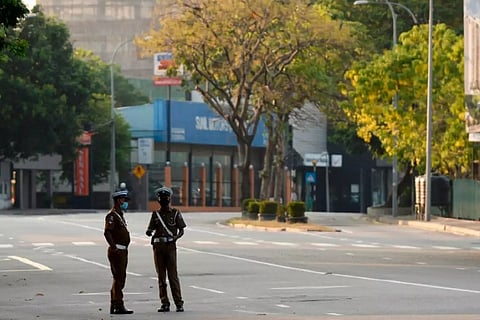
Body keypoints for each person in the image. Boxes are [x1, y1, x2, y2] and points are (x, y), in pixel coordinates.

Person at [146, 186, 186, 313]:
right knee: (161, 277)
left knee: (173, 276)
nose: (164, 200)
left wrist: (176, 237)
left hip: (170, 247)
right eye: (161, 198)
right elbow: (149, 229)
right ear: (158, 200)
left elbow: (182, 230)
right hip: (158, 248)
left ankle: (179, 303)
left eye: (166, 198)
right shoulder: (155, 214)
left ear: (169, 199)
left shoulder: (175, 213)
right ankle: (165, 303)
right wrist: (149, 232)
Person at [103, 190, 134, 315]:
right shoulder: (112, 215)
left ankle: (115, 303)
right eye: (123, 200)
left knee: (120, 278)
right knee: (119, 278)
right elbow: (107, 232)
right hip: (117, 251)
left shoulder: (119, 215)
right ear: (118, 200)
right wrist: (114, 247)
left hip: (123, 251)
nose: (125, 203)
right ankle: (118, 304)